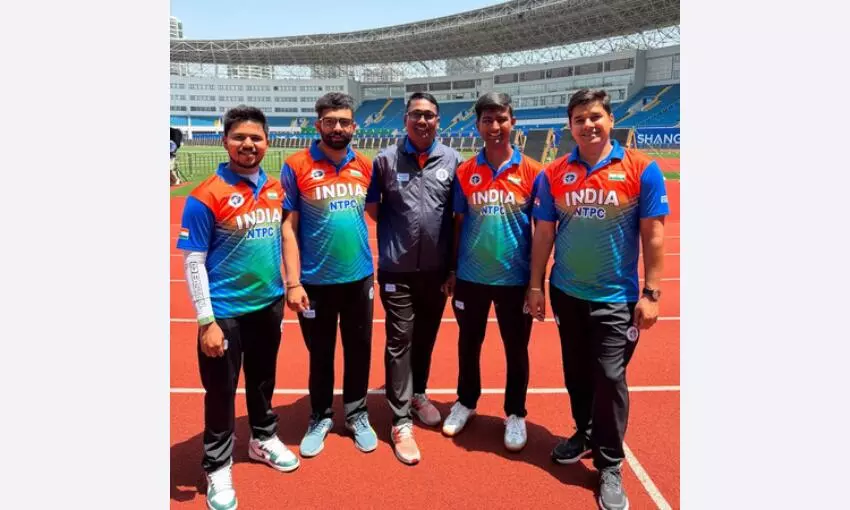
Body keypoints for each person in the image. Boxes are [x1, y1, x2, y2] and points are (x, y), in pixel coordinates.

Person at [526, 88, 670, 510]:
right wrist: (535, 286)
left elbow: (654, 234)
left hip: (616, 297)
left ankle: (609, 463)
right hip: (567, 292)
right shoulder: (554, 173)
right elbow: (544, 234)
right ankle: (585, 432)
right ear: (569, 127)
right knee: (576, 372)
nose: (587, 125)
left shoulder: (641, 169)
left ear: (610, 120)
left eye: (595, 117)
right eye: (579, 119)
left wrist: (652, 293)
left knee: (609, 377)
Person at [176, 106, 298, 510]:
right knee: (221, 391)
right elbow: (193, 261)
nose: (248, 144)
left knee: (263, 381)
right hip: (224, 312)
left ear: (268, 142)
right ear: (225, 141)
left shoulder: (275, 188)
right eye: (240, 137)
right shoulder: (205, 195)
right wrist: (206, 320)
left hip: (268, 305)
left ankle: (263, 438)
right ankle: (217, 464)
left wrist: (289, 286)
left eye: (256, 137)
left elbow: (283, 236)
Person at [441, 92, 543, 452]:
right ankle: (466, 401)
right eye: (487, 120)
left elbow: (543, 230)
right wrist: (452, 269)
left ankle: (515, 412)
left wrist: (536, 283)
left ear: (513, 122)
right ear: (478, 125)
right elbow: (457, 223)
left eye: (501, 119)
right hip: (471, 277)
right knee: (468, 344)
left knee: (516, 349)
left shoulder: (533, 172)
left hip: (515, 280)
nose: (495, 126)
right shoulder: (465, 171)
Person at [364, 92, 462, 465]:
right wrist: (401, 236)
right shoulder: (385, 160)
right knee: (399, 340)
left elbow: (456, 218)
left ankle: (418, 393)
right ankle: (400, 420)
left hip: (436, 271)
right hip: (396, 270)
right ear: (405, 119)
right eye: (416, 114)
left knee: (425, 338)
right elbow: (374, 208)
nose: (423, 121)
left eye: (429, 115)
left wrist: (451, 268)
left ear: (438, 121)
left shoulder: (452, 160)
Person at [280, 92, 378, 458]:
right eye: (330, 121)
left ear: (354, 126)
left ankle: (356, 413)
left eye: (344, 122)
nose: (337, 128)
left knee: (359, 350)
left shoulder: (365, 165)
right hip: (314, 283)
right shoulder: (297, 165)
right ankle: (320, 416)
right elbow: (288, 227)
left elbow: (379, 213)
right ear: (318, 124)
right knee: (320, 353)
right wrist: (293, 281)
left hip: (359, 278)